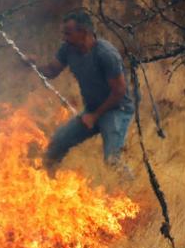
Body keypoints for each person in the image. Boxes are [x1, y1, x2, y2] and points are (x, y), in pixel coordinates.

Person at [39, 10, 134, 172]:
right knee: (57, 143)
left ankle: (132, 192)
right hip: (92, 110)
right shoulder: (67, 49)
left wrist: (94, 116)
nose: (64, 38)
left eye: (68, 34)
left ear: (83, 32)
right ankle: (47, 186)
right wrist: (33, 65)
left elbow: (119, 91)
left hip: (116, 110)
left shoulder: (106, 54)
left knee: (112, 160)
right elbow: (51, 71)